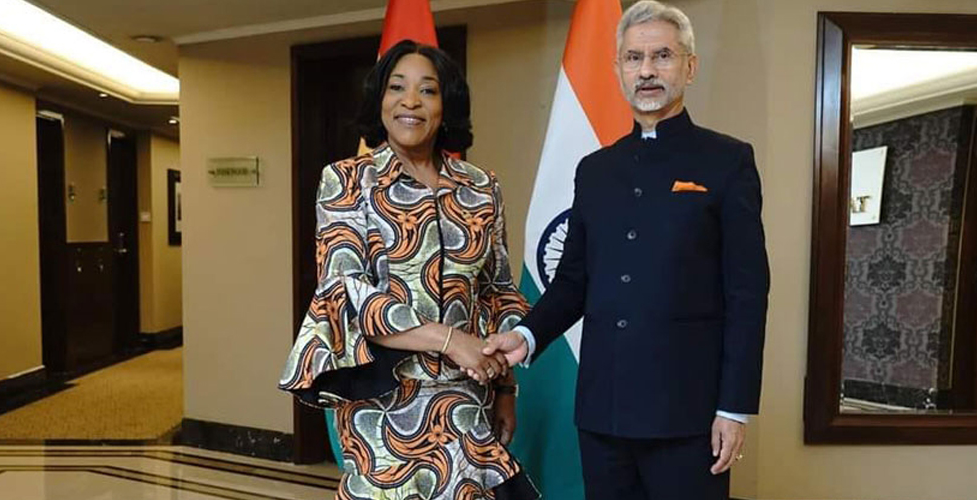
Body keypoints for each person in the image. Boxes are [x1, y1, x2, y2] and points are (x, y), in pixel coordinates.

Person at [481, 2, 769, 499]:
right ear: (618, 70)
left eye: (663, 55)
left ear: (689, 66)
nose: (648, 70)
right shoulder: (595, 170)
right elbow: (573, 282)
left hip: (688, 414)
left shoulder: (728, 161)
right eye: (634, 58)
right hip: (603, 411)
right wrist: (526, 335)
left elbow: (747, 294)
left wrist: (734, 408)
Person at [278, 39, 537, 500]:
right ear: (380, 100)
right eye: (396, 87)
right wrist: (452, 341)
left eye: (428, 90)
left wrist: (506, 388)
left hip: (465, 397)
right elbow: (347, 292)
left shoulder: (481, 188)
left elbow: (496, 289)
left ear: (447, 105)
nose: (410, 101)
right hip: (382, 399)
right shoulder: (346, 181)